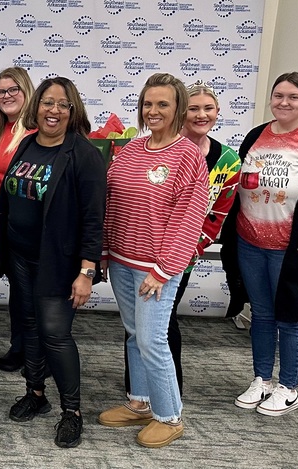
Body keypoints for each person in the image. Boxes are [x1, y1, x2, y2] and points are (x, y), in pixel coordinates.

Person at [97, 73, 208, 448]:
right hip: (122, 261)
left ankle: (170, 415)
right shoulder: (131, 148)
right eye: (148, 103)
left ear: (177, 109)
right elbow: (112, 202)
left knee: (152, 339)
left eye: (163, 104)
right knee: (134, 334)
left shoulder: (188, 155)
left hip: (156, 268)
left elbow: (189, 219)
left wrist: (163, 270)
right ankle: (140, 403)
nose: (154, 110)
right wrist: (105, 250)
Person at [225, 72, 298, 416]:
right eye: (278, 95)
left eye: (293, 97)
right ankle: (261, 379)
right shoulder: (256, 135)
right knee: (261, 314)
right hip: (249, 243)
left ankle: (288, 387)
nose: (284, 103)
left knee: (290, 318)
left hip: (291, 250)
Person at [0, 77, 105, 448]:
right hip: (21, 256)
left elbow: (94, 218)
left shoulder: (84, 155)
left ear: (72, 110)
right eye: (47, 102)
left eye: (62, 104)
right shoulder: (27, 144)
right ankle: (36, 394)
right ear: (36, 107)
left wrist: (87, 271)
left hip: (59, 263)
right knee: (28, 327)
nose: (53, 110)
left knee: (56, 335)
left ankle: (71, 413)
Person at [123, 81, 242, 397]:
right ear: (181, 111)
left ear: (218, 113)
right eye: (193, 108)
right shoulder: (149, 146)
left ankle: (166, 398)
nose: (201, 115)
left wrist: (187, 251)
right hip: (146, 253)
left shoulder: (227, 160)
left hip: (182, 255)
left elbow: (217, 214)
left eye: (208, 108)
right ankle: (139, 394)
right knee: (142, 328)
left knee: (158, 329)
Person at [0, 66, 39, 373]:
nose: (6, 96)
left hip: (23, 223)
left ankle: (30, 349)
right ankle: (19, 344)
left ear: (26, 92)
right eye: (0, 92)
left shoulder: (35, 133)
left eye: (12, 90)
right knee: (17, 289)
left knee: (28, 290)